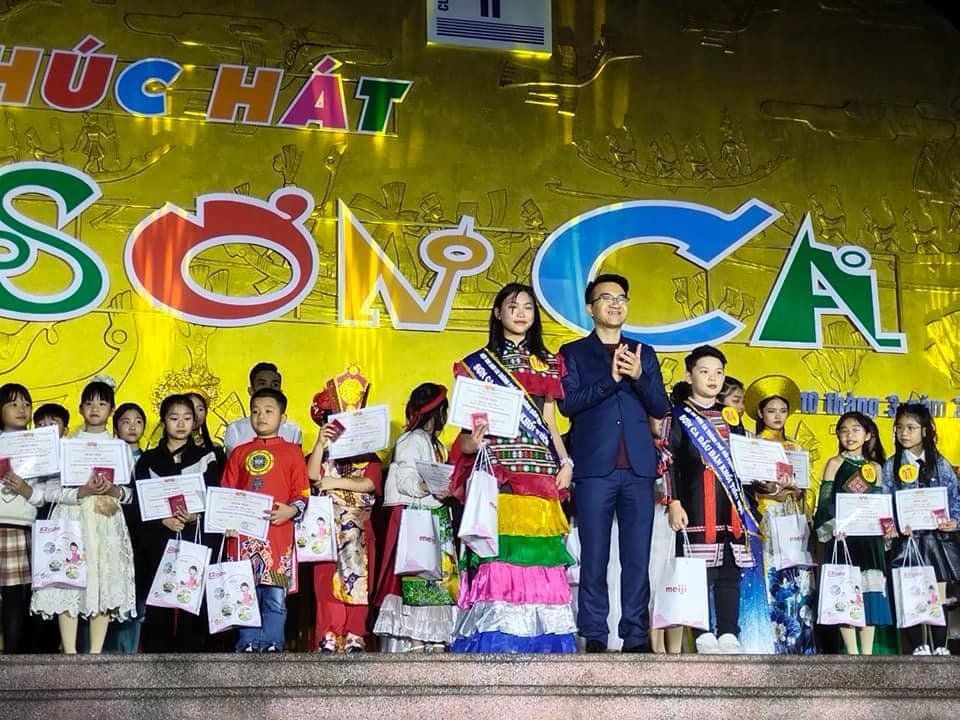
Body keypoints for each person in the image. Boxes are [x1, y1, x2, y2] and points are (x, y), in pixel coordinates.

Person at [451, 283, 577, 653]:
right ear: (497, 312)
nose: (521, 313)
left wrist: (566, 460)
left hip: (541, 470)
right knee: (501, 555)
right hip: (501, 472)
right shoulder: (478, 365)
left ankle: (542, 641)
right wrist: (473, 443)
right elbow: (467, 436)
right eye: (512, 306)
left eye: (527, 307)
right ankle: (499, 637)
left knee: (541, 558)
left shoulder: (548, 362)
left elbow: (550, 421)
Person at [559, 273, 669, 653]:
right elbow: (568, 404)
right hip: (594, 468)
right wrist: (610, 379)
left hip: (638, 469)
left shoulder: (643, 353)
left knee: (637, 558)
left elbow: (660, 406)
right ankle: (594, 633)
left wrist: (638, 376)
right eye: (606, 298)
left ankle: (635, 635)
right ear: (591, 309)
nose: (615, 303)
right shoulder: (573, 353)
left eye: (621, 297)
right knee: (594, 556)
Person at [30, 379, 136, 654]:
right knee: (68, 579)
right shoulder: (66, 445)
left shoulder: (120, 447)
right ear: (80, 409)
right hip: (72, 516)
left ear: (112, 409)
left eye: (101, 403)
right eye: (89, 403)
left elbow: (129, 494)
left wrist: (112, 490)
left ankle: (96, 653)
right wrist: (81, 492)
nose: (95, 409)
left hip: (106, 520)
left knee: (103, 579)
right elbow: (50, 490)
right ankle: (69, 652)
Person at [665, 345, 759, 654]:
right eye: (704, 371)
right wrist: (673, 501)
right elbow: (669, 461)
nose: (712, 378)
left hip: (729, 503)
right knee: (697, 571)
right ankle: (702, 632)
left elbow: (745, 461)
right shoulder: (678, 415)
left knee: (729, 570)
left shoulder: (731, 416)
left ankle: (729, 632)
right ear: (689, 375)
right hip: (694, 501)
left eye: (718, 372)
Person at [221, 387, 310, 652]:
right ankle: (247, 642)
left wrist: (291, 511)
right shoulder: (239, 452)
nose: (261, 416)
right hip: (244, 537)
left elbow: (302, 492)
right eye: (255, 411)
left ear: (283, 417)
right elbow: (226, 491)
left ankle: (272, 642)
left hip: (278, 536)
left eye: (268, 411)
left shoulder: (293, 452)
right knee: (244, 592)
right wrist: (226, 523)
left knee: (274, 596)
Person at [133, 394, 223, 653]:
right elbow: (140, 501)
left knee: (192, 600)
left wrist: (195, 516)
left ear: (195, 421)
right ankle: (156, 659)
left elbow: (214, 495)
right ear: (163, 422)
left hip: (195, 536)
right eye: (174, 418)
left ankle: (191, 659)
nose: (181, 424)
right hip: (159, 538)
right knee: (158, 602)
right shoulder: (148, 460)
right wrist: (163, 519)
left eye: (187, 418)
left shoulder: (207, 456)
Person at [373, 383, 458, 653]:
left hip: (436, 516)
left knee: (438, 582)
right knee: (418, 578)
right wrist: (426, 485)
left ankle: (434, 637)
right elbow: (405, 479)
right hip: (418, 516)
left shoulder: (436, 444)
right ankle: (416, 639)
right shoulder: (411, 440)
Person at [308, 367, 382, 654]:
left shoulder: (369, 455)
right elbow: (312, 475)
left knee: (358, 581)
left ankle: (354, 632)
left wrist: (333, 482)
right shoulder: (322, 453)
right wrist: (320, 443)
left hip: (357, 528)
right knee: (327, 582)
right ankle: (330, 632)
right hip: (327, 527)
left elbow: (369, 483)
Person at [743, 376, 816, 655]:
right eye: (771, 411)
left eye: (782, 411)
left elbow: (805, 488)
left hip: (792, 517)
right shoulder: (753, 444)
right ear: (760, 413)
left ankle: (801, 643)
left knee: (797, 575)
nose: (777, 416)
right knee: (772, 573)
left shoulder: (795, 447)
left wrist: (798, 491)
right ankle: (771, 642)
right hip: (767, 518)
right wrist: (773, 492)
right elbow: (749, 486)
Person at [881, 403, 960, 655]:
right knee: (910, 591)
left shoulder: (940, 464)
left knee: (938, 594)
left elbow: (955, 498)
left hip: (937, 540)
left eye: (911, 428)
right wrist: (891, 526)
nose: (904, 433)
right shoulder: (891, 466)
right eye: (899, 428)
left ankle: (940, 647)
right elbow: (884, 502)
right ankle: (918, 647)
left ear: (925, 431)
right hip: (907, 541)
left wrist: (955, 521)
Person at [814, 412, 894, 655]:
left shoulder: (876, 468)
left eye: (856, 430)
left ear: (868, 435)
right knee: (845, 591)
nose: (849, 435)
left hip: (869, 539)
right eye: (844, 430)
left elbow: (880, 503)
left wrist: (887, 529)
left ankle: (867, 655)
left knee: (869, 593)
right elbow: (824, 502)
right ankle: (851, 653)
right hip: (843, 537)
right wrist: (831, 526)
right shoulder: (835, 463)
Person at [0, 384, 45, 653]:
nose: (22, 409)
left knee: (17, 602)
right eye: (14, 404)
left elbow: (44, 496)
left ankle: (14, 663)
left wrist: (26, 489)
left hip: (22, 529)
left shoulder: (39, 447)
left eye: (27, 404)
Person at [648, 415, 682, 654]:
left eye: (665, 419)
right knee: (654, 583)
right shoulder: (642, 447)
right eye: (656, 418)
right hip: (653, 523)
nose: (662, 423)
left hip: (677, 522)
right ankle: (657, 648)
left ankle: (676, 649)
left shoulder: (676, 447)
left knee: (677, 583)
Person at [223, 363, 302, 455]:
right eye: (262, 384)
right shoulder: (235, 429)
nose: (269, 388)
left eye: (275, 384)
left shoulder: (293, 430)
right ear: (251, 390)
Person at [185, 391, 227, 468]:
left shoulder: (215, 448)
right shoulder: (169, 449)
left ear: (206, 413)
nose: (195, 414)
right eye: (190, 408)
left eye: (200, 409)